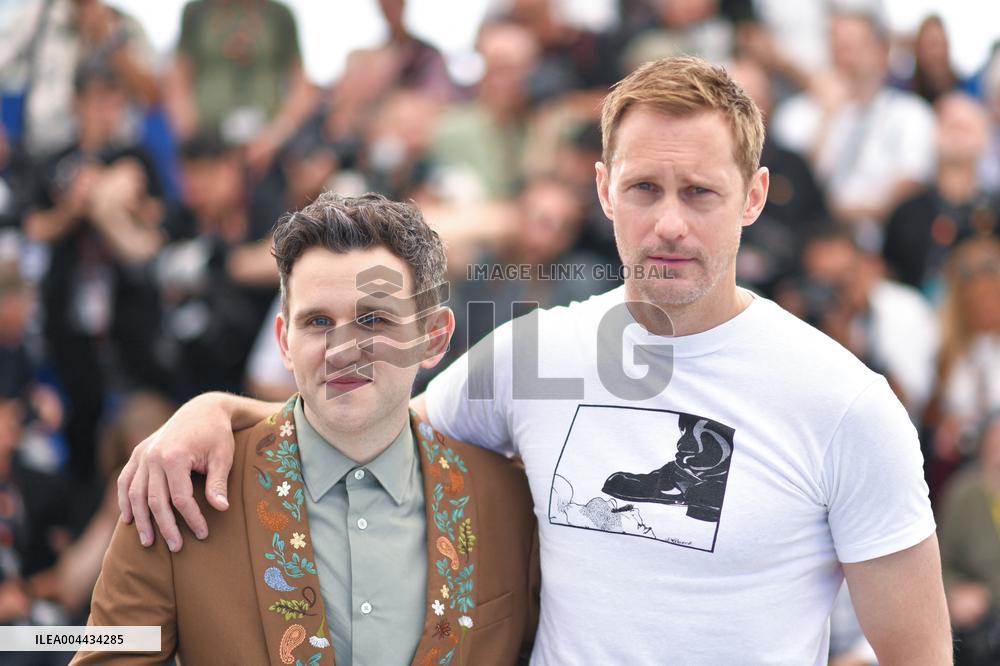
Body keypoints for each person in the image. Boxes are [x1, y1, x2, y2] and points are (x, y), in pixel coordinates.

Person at [119, 57, 950, 664]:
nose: (668, 224)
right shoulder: (537, 354)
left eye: (699, 192)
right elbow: (365, 427)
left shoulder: (843, 403)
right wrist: (214, 413)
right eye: (643, 190)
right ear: (601, 189)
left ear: (756, 197)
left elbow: (918, 654)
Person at [76, 193, 539, 664]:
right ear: (284, 341)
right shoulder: (177, 491)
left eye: (372, 320)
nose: (342, 350)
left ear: (433, 338)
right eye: (318, 321)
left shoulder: (510, 502)